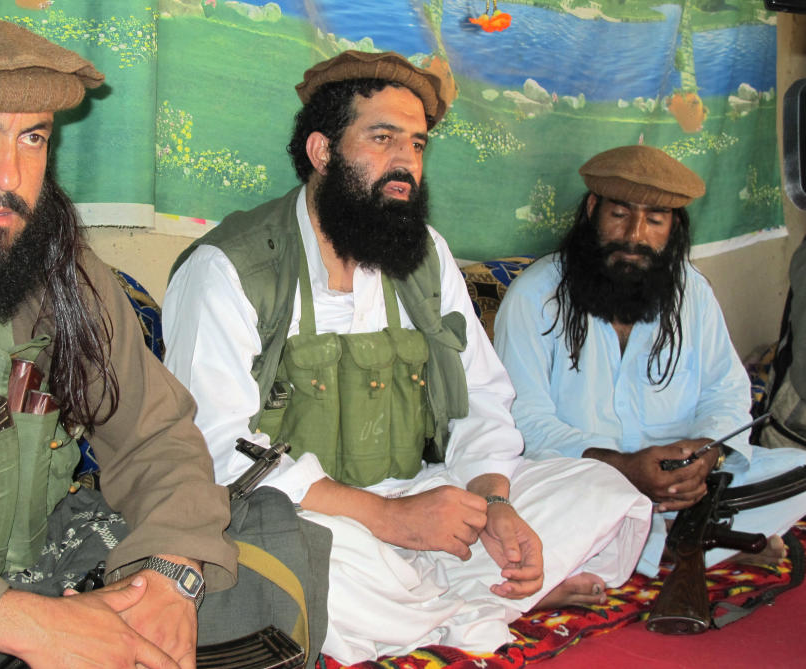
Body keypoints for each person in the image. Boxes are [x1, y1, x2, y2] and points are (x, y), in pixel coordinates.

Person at [161, 50, 652, 664]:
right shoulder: (227, 269)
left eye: (417, 145)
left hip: (422, 494)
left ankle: (442, 604)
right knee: (316, 567)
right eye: (383, 138)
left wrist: (493, 503)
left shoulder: (424, 254)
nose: (405, 164)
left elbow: (481, 396)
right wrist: (389, 519)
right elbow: (214, 451)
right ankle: (478, 603)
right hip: (310, 518)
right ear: (321, 152)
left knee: (600, 489)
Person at [0, 16, 239, 668]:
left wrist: (170, 578)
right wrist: (29, 626)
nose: (9, 172)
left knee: (264, 535)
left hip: (38, 569)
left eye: (33, 138)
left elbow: (153, 436)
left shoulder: (67, 273)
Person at [494, 144, 806, 578]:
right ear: (592, 210)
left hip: (684, 487)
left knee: (797, 471)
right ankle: (694, 546)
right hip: (585, 481)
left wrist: (707, 454)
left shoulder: (691, 292)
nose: (635, 235)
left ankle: (657, 545)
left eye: (655, 220)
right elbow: (523, 421)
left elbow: (726, 390)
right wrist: (625, 469)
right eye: (620, 214)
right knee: (517, 501)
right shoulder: (534, 297)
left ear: (673, 226)